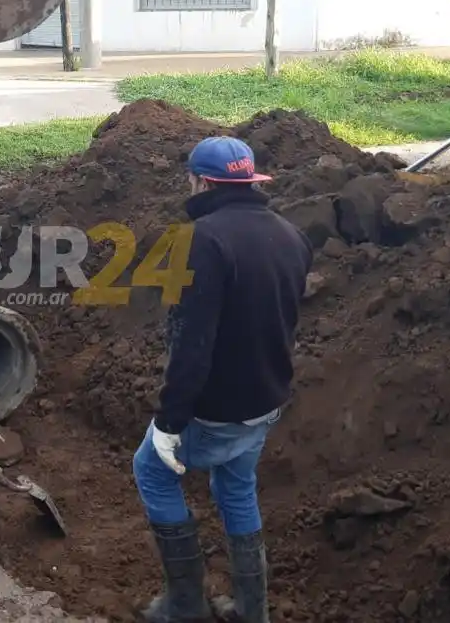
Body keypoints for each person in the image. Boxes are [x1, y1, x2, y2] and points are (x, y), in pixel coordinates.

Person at [132, 136, 313, 623]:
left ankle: (184, 606)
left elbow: (193, 343)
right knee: (236, 486)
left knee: (151, 470)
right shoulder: (290, 235)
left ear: (201, 181)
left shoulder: (202, 241)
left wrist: (170, 422)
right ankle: (253, 612)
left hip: (218, 408)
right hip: (268, 398)